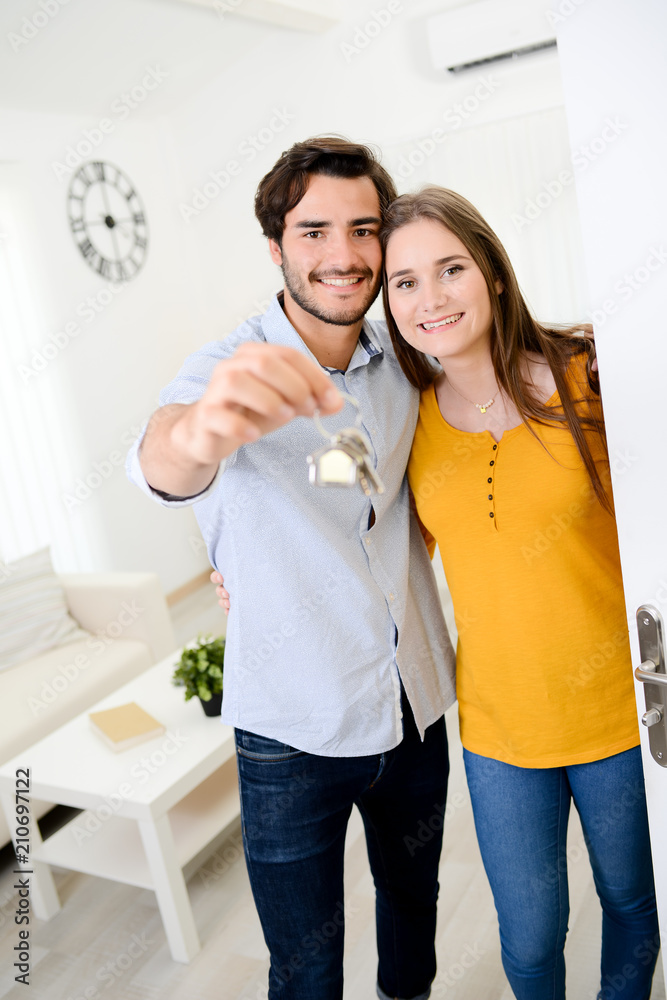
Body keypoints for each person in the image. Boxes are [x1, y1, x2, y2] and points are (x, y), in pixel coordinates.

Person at [126, 139, 456, 1000]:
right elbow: (166, 456)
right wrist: (201, 434)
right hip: (290, 731)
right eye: (314, 231)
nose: (342, 255)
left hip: (411, 704)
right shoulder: (227, 368)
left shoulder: (401, 363)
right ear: (276, 247)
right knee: (305, 969)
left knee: (412, 915)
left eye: (362, 229)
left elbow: (365, 492)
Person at [377, 185, 659, 1000]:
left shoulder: (589, 378)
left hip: (618, 716)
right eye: (403, 282)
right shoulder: (406, 425)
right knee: (530, 942)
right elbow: (360, 538)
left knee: (633, 905)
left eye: (450, 269)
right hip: (499, 732)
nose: (429, 298)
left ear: (492, 273)